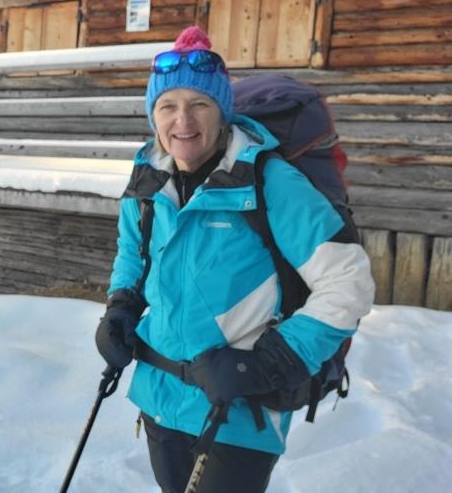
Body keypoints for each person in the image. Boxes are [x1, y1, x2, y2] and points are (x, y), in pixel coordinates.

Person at [94, 27, 374, 492]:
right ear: (153, 116)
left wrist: (267, 363)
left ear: (223, 112)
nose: (183, 120)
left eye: (199, 104)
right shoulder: (148, 180)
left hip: (241, 408)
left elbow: (348, 283)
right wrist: (121, 307)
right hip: (161, 395)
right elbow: (134, 253)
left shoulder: (268, 181)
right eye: (167, 106)